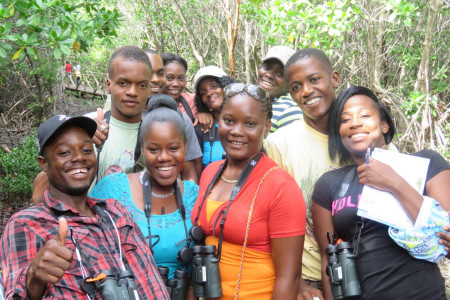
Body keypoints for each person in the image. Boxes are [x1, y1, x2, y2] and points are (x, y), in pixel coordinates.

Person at [0, 114, 170, 299]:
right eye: (64, 152)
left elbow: (152, 282)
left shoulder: (117, 213)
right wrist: (33, 277)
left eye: (87, 150)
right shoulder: (26, 224)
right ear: (44, 163)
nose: (79, 157)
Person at [312, 86, 450, 299]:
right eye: (345, 120)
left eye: (365, 116)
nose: (355, 123)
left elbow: (444, 232)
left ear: (384, 124)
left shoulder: (427, 163)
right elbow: (327, 260)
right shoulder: (329, 184)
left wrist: (394, 182)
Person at [192, 83, 306, 299]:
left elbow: (288, 278)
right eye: (229, 121)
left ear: (266, 127)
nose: (237, 131)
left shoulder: (280, 187)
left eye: (250, 123)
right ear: (219, 121)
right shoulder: (210, 173)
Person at [90, 95, 199, 279]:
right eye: (154, 149)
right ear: (142, 146)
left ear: (185, 146)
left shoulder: (194, 196)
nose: (164, 157)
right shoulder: (113, 189)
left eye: (173, 148)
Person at [265, 48, 341, 299]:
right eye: (296, 86)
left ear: (335, 79)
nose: (306, 91)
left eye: (314, 79)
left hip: (369, 273)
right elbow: (269, 220)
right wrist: (295, 283)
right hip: (310, 282)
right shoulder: (279, 144)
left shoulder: (360, 134)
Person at [192, 65, 234, 168]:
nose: (209, 93)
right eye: (203, 92)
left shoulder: (244, 121)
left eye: (214, 86)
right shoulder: (202, 128)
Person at [257, 45, 303, 134]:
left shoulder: (290, 111)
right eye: (267, 67)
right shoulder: (251, 101)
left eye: (280, 73)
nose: (269, 75)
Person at [161, 52, 198, 123]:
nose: (176, 84)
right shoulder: (148, 105)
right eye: (169, 78)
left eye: (181, 78)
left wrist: (204, 113)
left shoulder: (193, 101)